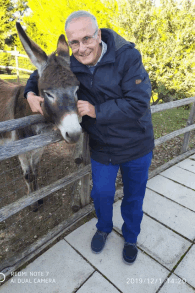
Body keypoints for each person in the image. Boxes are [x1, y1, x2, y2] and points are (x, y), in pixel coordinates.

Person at [24, 10, 155, 265]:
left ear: (98, 34)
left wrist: (97, 111)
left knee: (133, 197)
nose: (82, 48)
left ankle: (130, 237)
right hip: (103, 145)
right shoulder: (70, 61)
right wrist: (29, 93)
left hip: (136, 144)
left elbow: (140, 101)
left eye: (87, 39)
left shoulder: (126, 55)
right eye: (74, 42)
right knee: (102, 194)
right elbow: (41, 72)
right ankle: (104, 228)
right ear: (69, 44)